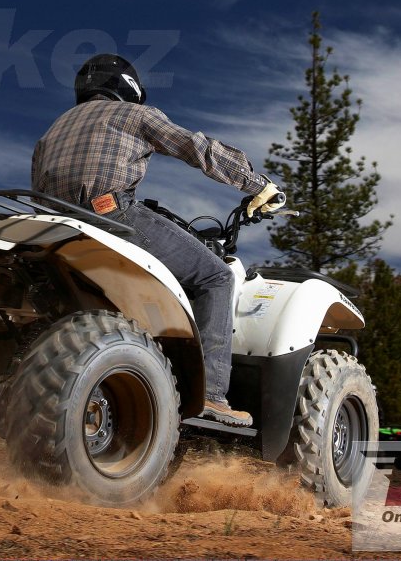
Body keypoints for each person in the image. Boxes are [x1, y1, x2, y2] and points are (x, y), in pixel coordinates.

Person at [31, 53, 283, 427]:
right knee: (215, 277)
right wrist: (259, 184)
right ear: (129, 90)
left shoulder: (52, 130)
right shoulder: (135, 115)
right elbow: (199, 150)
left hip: (51, 228)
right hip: (110, 215)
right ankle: (212, 395)